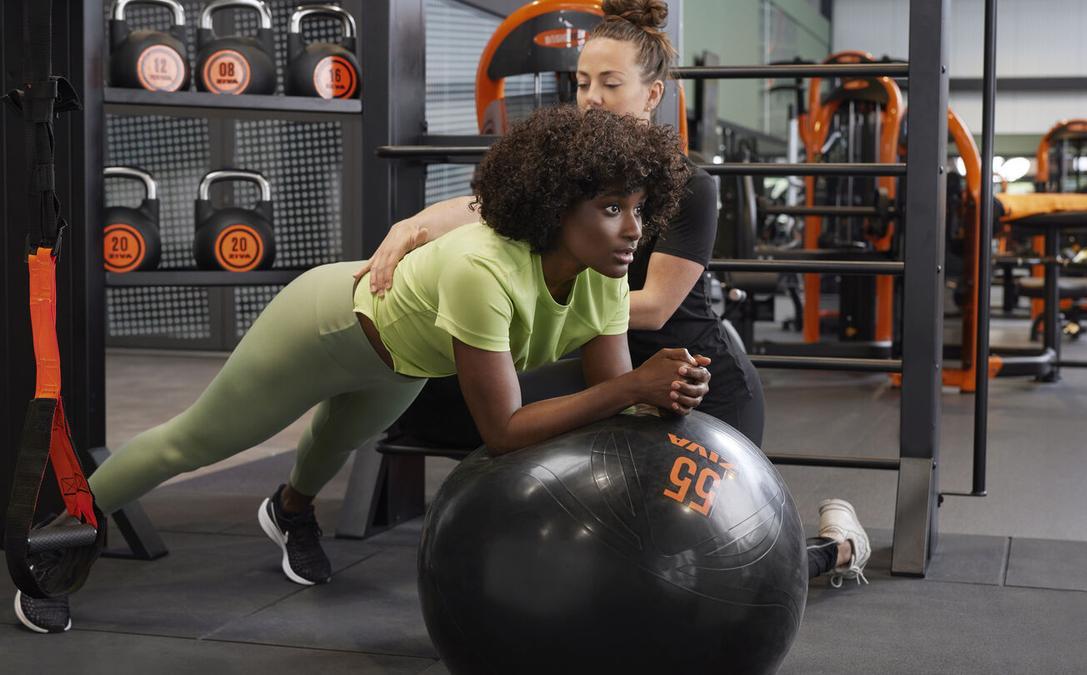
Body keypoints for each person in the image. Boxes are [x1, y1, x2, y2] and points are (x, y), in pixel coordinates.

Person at [14, 106, 709, 634]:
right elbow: (501, 429)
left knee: (336, 441)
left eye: (640, 209)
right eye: (612, 207)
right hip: (328, 323)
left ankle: (289, 512)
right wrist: (632, 387)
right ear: (558, 207)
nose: (633, 231)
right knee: (193, 441)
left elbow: (612, 396)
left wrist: (664, 393)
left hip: (404, 360)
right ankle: (62, 535)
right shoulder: (483, 265)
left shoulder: (604, 277)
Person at [354, 0, 872, 590]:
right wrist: (411, 228)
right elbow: (482, 210)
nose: (591, 97)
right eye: (581, 83)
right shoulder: (569, 176)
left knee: (713, 568)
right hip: (610, 377)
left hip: (691, 380)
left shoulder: (690, 184)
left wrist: (540, 302)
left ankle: (835, 547)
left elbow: (653, 306)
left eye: (610, 82)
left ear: (652, 95)